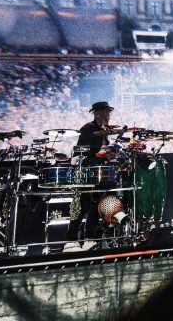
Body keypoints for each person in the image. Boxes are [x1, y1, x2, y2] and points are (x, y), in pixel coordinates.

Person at [65, 101, 116, 251]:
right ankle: (71, 240)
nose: (109, 116)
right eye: (106, 112)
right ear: (98, 113)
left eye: (109, 112)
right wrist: (99, 153)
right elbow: (80, 151)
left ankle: (89, 238)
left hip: (101, 173)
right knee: (83, 205)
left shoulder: (106, 131)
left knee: (97, 206)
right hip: (87, 172)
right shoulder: (88, 129)